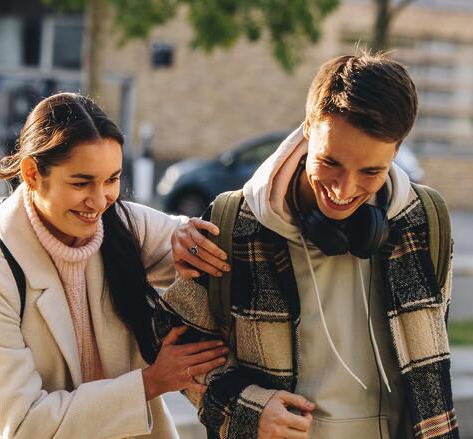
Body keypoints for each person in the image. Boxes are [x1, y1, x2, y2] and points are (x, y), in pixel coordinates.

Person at [162, 52, 457, 438]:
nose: (344, 189)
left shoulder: (427, 220)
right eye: (330, 162)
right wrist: (245, 410)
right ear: (307, 131)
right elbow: (175, 342)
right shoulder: (235, 223)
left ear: (396, 152)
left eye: (370, 171)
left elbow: (429, 363)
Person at [0, 92, 229, 438]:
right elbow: (27, 425)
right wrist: (149, 383)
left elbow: (223, 242)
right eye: (81, 182)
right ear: (31, 174)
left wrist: (188, 241)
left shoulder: (123, 224)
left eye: (112, 180)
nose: (100, 200)